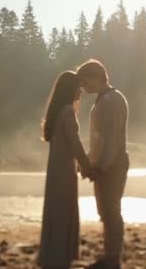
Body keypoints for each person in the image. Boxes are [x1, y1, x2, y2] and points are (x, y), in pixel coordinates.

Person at [37, 70, 96, 269]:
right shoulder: (68, 112)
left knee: (55, 211)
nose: (81, 92)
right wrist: (87, 166)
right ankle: (59, 259)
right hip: (63, 172)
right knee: (63, 212)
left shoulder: (56, 112)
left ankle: (52, 256)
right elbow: (75, 143)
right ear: (70, 89)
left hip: (55, 170)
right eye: (78, 87)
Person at [77, 59, 129, 269]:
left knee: (111, 211)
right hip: (106, 164)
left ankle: (113, 260)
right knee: (106, 211)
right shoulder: (104, 99)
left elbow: (113, 139)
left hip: (113, 165)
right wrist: (90, 161)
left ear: (96, 77)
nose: (83, 87)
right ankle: (110, 257)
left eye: (84, 81)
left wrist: (101, 167)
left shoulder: (113, 100)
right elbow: (100, 139)